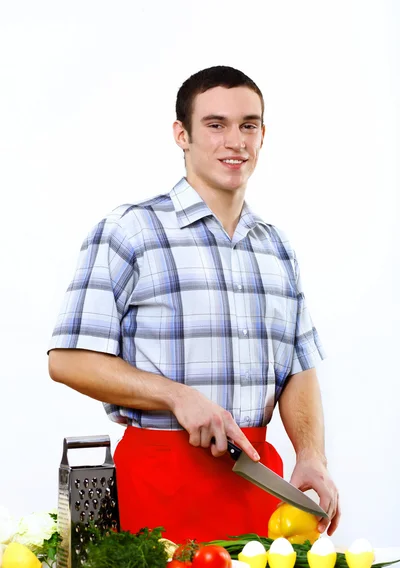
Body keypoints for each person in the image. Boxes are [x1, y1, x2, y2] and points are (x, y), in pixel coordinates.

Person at [48, 65, 340, 543]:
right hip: (160, 489)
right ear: (181, 134)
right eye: (215, 124)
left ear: (263, 135)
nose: (235, 141)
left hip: (261, 492)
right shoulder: (131, 231)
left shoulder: (276, 247)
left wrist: (311, 455)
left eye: (248, 125)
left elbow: (298, 369)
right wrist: (176, 395)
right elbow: (67, 360)